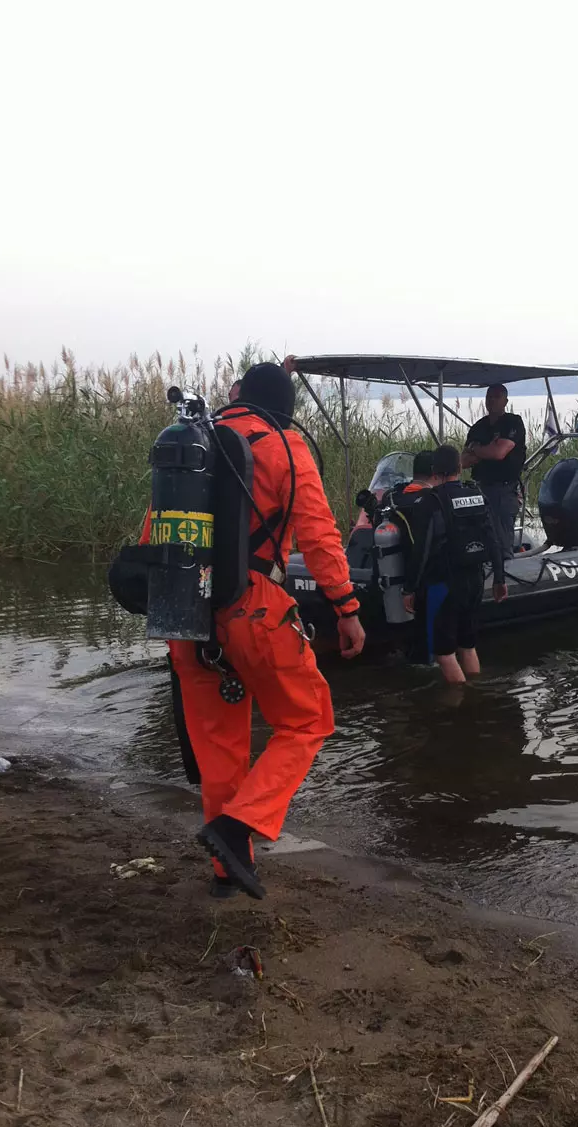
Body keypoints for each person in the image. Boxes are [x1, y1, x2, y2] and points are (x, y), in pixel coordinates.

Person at [144, 363, 365, 900]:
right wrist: (346, 606)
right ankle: (237, 828)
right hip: (254, 608)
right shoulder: (285, 445)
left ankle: (228, 873)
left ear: (237, 395)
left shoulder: (194, 445)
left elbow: (157, 531)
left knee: (221, 748)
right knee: (309, 720)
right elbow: (318, 535)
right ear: (288, 408)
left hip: (186, 611)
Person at [402, 445, 507, 684]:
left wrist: (410, 589)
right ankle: (477, 694)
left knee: (445, 654)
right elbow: (494, 540)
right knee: (467, 646)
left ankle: (463, 706)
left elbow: (422, 549)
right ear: (460, 468)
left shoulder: (431, 501)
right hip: (475, 580)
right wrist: (499, 578)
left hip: (444, 584)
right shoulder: (477, 495)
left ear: (434, 470)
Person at [460, 383, 527, 560]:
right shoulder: (478, 427)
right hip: (479, 489)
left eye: (497, 397)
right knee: (479, 538)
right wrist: (486, 449)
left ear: (505, 400)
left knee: (502, 542)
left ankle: (505, 578)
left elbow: (499, 453)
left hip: (504, 490)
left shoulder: (513, 423)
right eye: (489, 396)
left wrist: (477, 449)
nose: (492, 400)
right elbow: (464, 461)